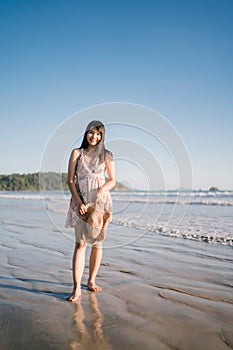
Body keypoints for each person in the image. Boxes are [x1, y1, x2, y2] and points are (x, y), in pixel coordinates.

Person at [65, 120, 116, 302]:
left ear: (102, 136)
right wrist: (79, 202)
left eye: (98, 134)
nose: (94, 136)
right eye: (91, 133)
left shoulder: (107, 155)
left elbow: (112, 180)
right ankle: (77, 287)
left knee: (97, 243)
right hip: (81, 200)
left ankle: (91, 281)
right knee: (80, 244)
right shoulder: (76, 153)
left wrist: (101, 191)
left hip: (100, 202)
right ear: (86, 133)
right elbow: (71, 180)